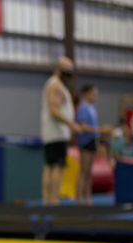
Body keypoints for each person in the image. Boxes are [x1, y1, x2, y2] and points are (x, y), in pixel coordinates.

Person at [41, 57, 82, 205]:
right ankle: (53, 200)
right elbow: (54, 110)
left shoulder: (58, 85)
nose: (69, 77)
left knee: (51, 166)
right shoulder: (55, 85)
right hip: (56, 133)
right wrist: (71, 124)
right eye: (67, 73)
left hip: (56, 133)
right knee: (56, 167)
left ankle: (49, 200)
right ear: (59, 70)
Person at [75, 84, 100, 206]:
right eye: (93, 94)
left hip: (92, 141)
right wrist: (98, 131)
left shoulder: (92, 108)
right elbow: (83, 126)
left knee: (89, 172)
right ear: (85, 94)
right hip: (85, 141)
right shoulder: (83, 108)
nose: (95, 96)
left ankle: (88, 198)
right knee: (84, 171)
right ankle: (79, 198)